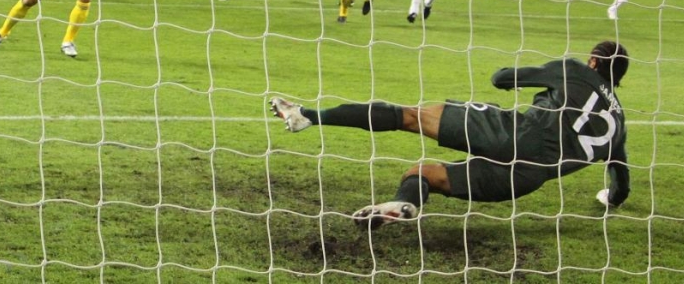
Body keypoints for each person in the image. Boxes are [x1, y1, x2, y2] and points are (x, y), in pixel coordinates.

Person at [269, 40, 632, 230]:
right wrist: (611, 198)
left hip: (513, 133)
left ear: (595, 63)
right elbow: (621, 183)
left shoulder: (576, 71)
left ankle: (306, 116)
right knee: (423, 174)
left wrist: (524, 78)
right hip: (527, 177)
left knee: (409, 116)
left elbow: (502, 78)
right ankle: (402, 203)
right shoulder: (619, 127)